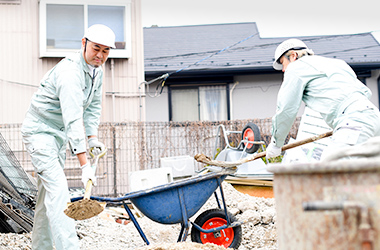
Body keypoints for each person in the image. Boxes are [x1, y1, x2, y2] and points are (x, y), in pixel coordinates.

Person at [21, 24, 115, 250]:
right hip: (40, 132)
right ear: (84, 43)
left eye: (105, 51)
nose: (100, 55)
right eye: (96, 49)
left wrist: (92, 138)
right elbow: (73, 119)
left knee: (47, 199)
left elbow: (92, 108)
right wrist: (84, 166)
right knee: (59, 192)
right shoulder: (70, 73)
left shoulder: (96, 71)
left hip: (58, 134)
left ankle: (40, 247)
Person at [266, 38, 380, 160]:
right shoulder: (337, 63)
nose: (283, 69)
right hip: (374, 118)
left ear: (293, 56)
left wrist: (276, 144)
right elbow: (365, 92)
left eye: (283, 63)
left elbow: (286, 109)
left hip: (354, 120)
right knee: (369, 174)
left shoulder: (296, 68)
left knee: (330, 165)